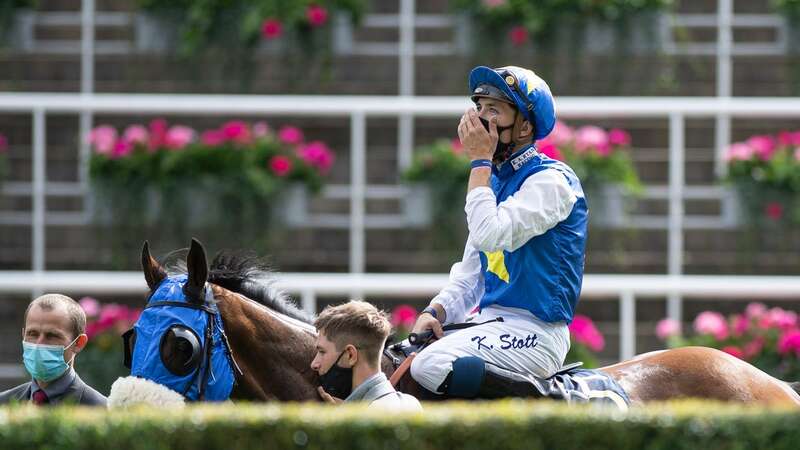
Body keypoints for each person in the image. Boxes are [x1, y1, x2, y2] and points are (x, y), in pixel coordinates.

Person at [408, 65, 588, 398]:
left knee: (428, 365)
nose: (479, 118)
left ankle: (550, 406)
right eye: (478, 107)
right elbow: (469, 277)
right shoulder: (492, 184)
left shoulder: (552, 181)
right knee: (399, 359)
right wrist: (434, 312)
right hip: (489, 325)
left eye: (494, 110)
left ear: (524, 127)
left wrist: (479, 162)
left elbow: (490, 234)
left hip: (537, 333)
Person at [311, 300, 422, 411]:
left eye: (322, 352)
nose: (314, 364)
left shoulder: (369, 416)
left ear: (350, 355)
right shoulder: (411, 403)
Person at [0, 294, 107, 406]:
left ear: (78, 343)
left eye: (51, 335)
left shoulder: (101, 409)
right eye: (33, 334)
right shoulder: (3, 405)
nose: (38, 344)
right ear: (23, 335)